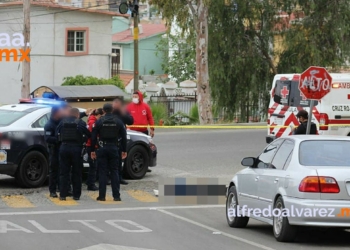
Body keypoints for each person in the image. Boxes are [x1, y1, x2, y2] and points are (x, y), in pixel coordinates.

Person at [90, 103, 127, 202]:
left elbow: (93, 137)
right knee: (115, 172)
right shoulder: (118, 121)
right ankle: (116, 196)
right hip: (114, 148)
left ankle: (102, 196)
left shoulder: (99, 122)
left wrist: (92, 150)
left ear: (103, 110)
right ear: (112, 110)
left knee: (102, 172)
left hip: (102, 148)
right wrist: (124, 150)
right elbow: (124, 136)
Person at [56, 108, 91, 201]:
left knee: (64, 173)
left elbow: (57, 134)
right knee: (77, 173)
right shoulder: (80, 123)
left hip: (64, 148)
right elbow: (88, 134)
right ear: (77, 115)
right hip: (76, 149)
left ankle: (63, 195)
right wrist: (82, 140)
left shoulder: (62, 122)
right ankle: (76, 195)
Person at [127, 91, 154, 172]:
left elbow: (150, 118)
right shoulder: (129, 107)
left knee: (145, 150)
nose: (134, 98)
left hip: (143, 132)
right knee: (133, 150)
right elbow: (124, 118)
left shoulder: (145, 107)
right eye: (133, 96)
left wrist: (152, 129)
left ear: (140, 97)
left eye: (136, 96)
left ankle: (145, 166)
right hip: (132, 132)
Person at [113, 97, 134, 185]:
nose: (115, 105)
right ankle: (108, 178)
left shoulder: (123, 112)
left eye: (117, 103)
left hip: (120, 139)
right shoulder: (110, 111)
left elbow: (131, 121)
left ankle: (119, 178)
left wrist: (123, 113)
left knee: (119, 160)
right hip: (110, 138)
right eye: (114, 103)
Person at [44, 106, 63, 198]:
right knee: (54, 171)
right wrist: (59, 139)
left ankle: (61, 188)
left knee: (62, 170)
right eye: (60, 111)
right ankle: (52, 191)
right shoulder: (49, 124)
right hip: (54, 150)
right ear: (56, 113)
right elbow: (48, 138)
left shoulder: (61, 121)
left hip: (61, 150)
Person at [85, 108, 104, 191]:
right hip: (91, 146)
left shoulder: (91, 120)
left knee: (93, 165)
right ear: (99, 115)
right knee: (93, 165)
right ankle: (91, 184)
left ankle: (89, 181)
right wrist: (94, 148)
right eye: (102, 116)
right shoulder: (93, 122)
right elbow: (93, 137)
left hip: (90, 145)